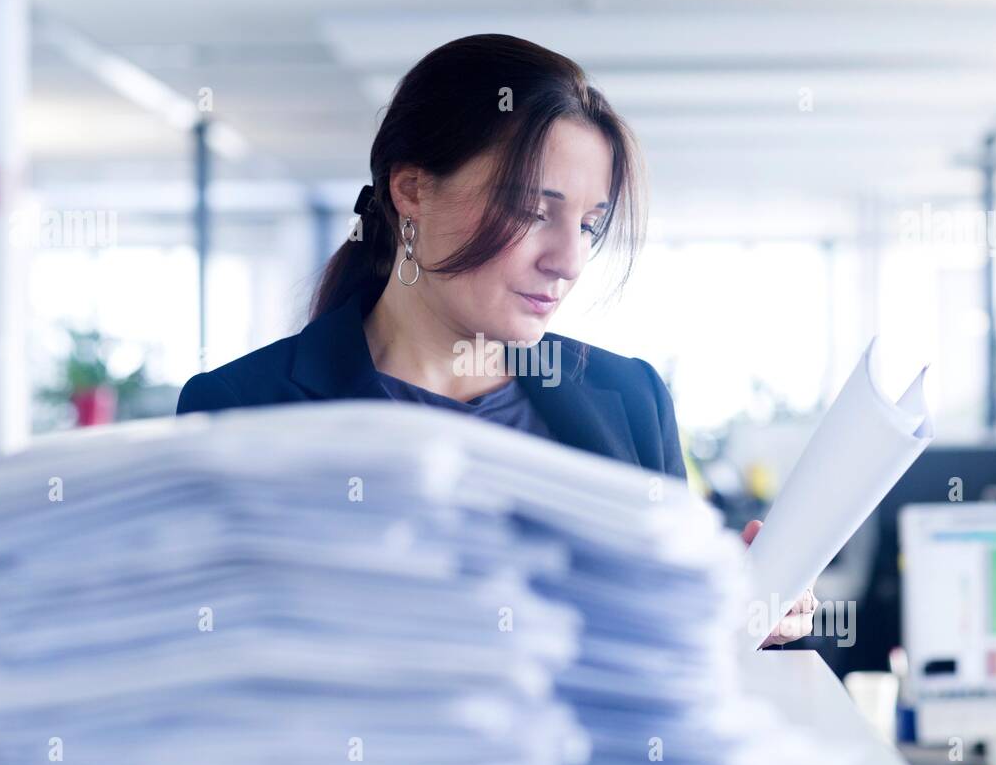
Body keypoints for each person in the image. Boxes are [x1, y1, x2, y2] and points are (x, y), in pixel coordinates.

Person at [177, 33, 814, 646]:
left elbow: (665, 666)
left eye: (589, 225)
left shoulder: (630, 398)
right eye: (535, 211)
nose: (568, 260)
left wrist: (727, 610)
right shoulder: (242, 407)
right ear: (412, 191)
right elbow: (214, 669)